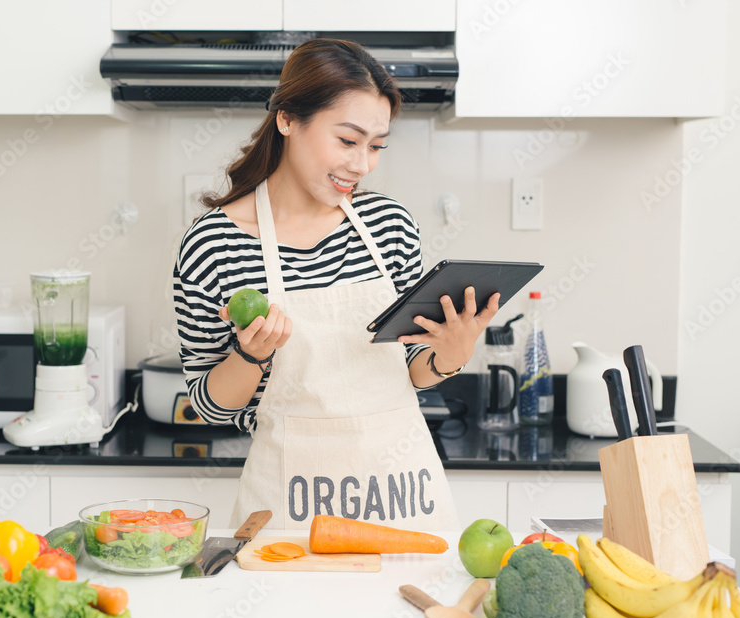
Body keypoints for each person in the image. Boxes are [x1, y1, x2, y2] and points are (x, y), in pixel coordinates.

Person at [173, 38, 499, 530]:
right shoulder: (213, 245)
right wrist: (250, 356)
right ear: (287, 119)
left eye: (376, 146)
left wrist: (452, 353)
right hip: (289, 518)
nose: (362, 164)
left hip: (404, 506)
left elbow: (414, 368)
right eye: (347, 141)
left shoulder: (389, 226)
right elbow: (210, 405)